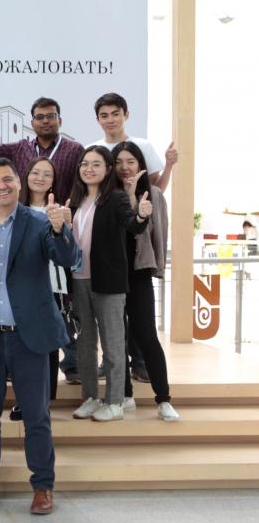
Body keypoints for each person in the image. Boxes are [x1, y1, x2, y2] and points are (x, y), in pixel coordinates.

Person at [0, 157, 79, 516]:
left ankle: (43, 486)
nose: (1, 186)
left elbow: (67, 259)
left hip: (31, 337)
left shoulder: (40, 221)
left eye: (7, 180)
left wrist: (60, 229)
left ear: (18, 183)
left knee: (36, 415)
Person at [69, 146, 150, 422]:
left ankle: (115, 402)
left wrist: (141, 214)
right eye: (84, 164)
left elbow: (133, 224)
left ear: (107, 170)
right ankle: (91, 397)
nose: (88, 168)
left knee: (114, 345)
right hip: (78, 281)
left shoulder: (115, 198)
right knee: (85, 345)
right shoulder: (75, 200)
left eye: (96, 164)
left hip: (108, 283)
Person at [111, 142, 179, 421]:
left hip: (138, 274)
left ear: (141, 165)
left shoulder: (155, 195)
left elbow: (159, 235)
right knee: (118, 337)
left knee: (147, 335)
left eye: (131, 161)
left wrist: (157, 268)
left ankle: (163, 399)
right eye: (119, 162)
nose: (125, 167)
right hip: (112, 275)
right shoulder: (108, 196)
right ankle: (126, 394)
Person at [20, 157, 79, 392]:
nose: (40, 178)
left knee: (49, 341)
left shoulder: (60, 210)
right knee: (23, 343)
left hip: (52, 285)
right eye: (35, 172)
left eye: (47, 174)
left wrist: (66, 227)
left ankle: (46, 396)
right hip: (22, 285)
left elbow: (70, 252)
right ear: (26, 176)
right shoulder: (16, 207)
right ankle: (24, 398)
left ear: (54, 181)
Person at [0, 96, 84, 205]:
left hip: (59, 217)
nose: (45, 121)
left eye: (51, 116)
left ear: (60, 120)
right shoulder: (20, 149)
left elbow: (82, 188)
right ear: (32, 124)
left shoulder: (74, 150)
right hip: (25, 217)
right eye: (39, 117)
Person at [92, 92, 178, 192]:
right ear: (98, 120)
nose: (110, 120)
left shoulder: (144, 146)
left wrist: (169, 165)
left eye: (115, 114)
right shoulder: (91, 149)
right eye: (104, 116)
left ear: (126, 115)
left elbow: (156, 191)